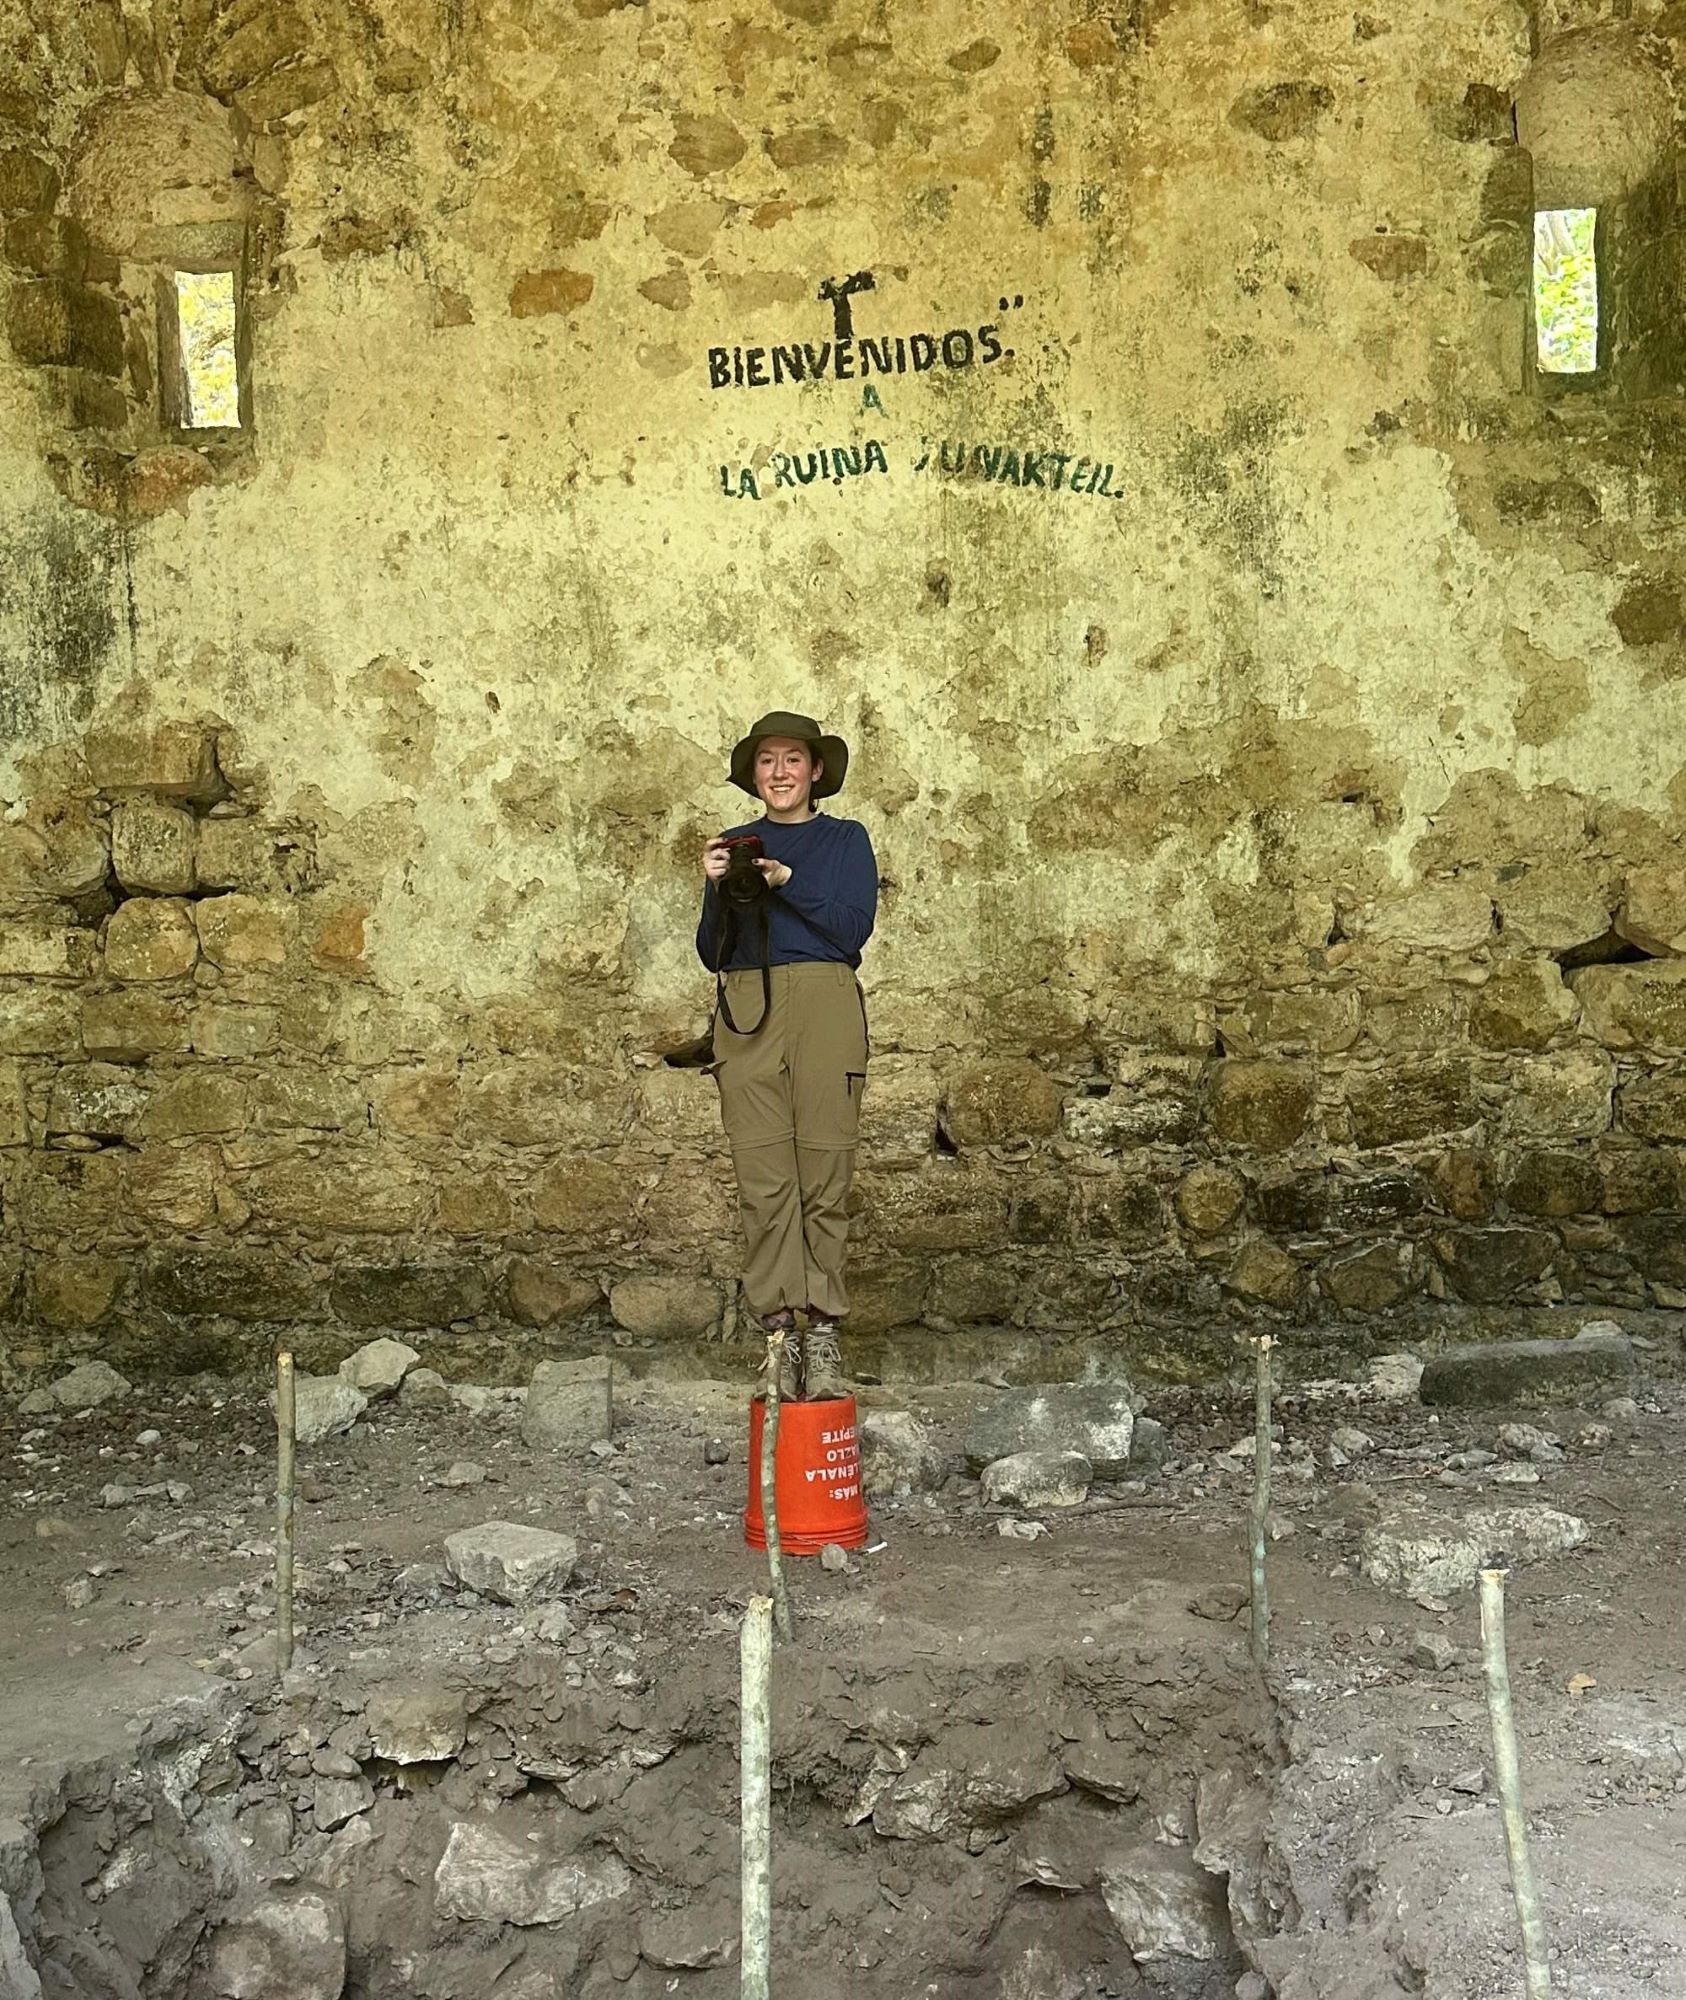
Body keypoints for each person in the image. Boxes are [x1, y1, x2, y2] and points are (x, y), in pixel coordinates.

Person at [697, 711, 878, 1400]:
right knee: (763, 1175)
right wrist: (720, 886)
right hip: (749, 1007)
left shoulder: (844, 840)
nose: (779, 772)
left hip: (825, 1001)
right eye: (767, 760)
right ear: (754, 774)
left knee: (824, 1171)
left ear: (816, 770)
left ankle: (824, 1334)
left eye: (792, 759)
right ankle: (778, 1335)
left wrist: (787, 880)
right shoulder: (735, 845)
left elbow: (851, 929)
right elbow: (711, 952)